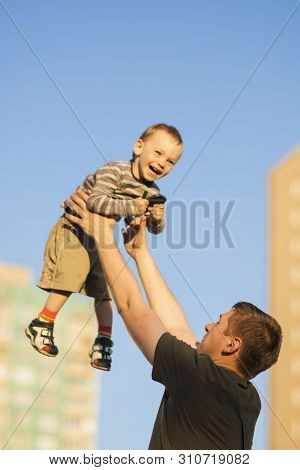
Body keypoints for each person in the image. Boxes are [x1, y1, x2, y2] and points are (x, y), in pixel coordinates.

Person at [64, 189, 283, 450]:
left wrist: (101, 234)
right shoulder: (247, 399)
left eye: (218, 323)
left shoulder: (199, 376)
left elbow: (131, 307)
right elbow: (177, 328)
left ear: (232, 345)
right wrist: (141, 253)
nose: (207, 326)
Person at [25, 123, 183, 371]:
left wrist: (155, 217)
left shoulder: (151, 191)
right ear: (139, 147)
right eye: (158, 153)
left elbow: (155, 230)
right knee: (70, 276)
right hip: (75, 229)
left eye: (171, 161)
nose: (163, 163)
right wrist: (132, 207)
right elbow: (96, 201)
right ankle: (43, 322)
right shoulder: (115, 170)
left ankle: (103, 340)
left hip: (101, 238)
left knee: (105, 290)